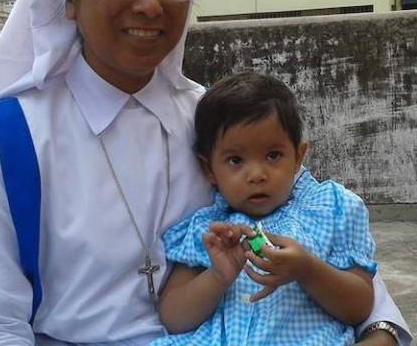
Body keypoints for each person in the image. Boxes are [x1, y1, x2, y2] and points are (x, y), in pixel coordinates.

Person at [0, 0, 412, 346]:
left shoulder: (214, 120)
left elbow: (315, 229)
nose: (149, 3)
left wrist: (381, 330)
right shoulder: (12, 140)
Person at [153, 72, 375, 345]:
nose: (257, 174)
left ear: (298, 157)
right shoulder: (209, 230)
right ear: (209, 169)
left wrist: (308, 270)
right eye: (235, 160)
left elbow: (360, 307)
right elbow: (173, 318)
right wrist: (217, 277)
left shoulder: (331, 208)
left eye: (273, 155)